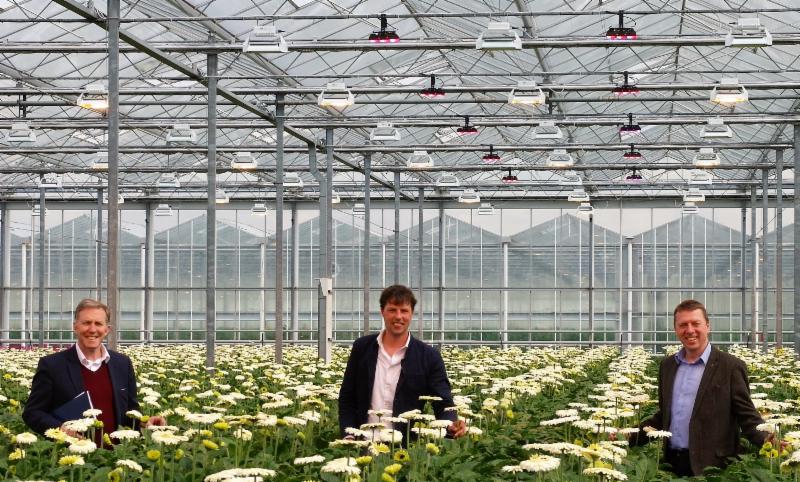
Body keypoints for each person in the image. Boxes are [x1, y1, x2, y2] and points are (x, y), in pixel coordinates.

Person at [634, 299, 767, 477]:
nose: (690, 330)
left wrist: (769, 440)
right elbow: (665, 415)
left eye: (695, 323)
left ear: (707, 326)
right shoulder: (667, 366)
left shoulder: (730, 367)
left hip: (714, 467)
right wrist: (629, 436)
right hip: (672, 464)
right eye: (683, 325)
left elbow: (747, 416)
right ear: (676, 329)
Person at [22, 298, 164, 440]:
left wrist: (145, 423)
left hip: (117, 456)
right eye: (86, 323)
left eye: (98, 323)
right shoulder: (52, 365)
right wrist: (60, 430)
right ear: (75, 327)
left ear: (107, 329)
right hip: (73, 454)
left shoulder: (122, 364)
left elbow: (130, 412)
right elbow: (33, 412)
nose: (92, 329)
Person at [338, 285, 466, 441]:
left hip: (404, 448)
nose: (398, 316)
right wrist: (349, 434)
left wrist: (451, 424)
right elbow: (347, 397)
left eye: (404, 311)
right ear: (382, 312)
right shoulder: (362, 348)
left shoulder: (429, 356)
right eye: (392, 310)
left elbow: (444, 403)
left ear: (411, 313)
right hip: (363, 444)